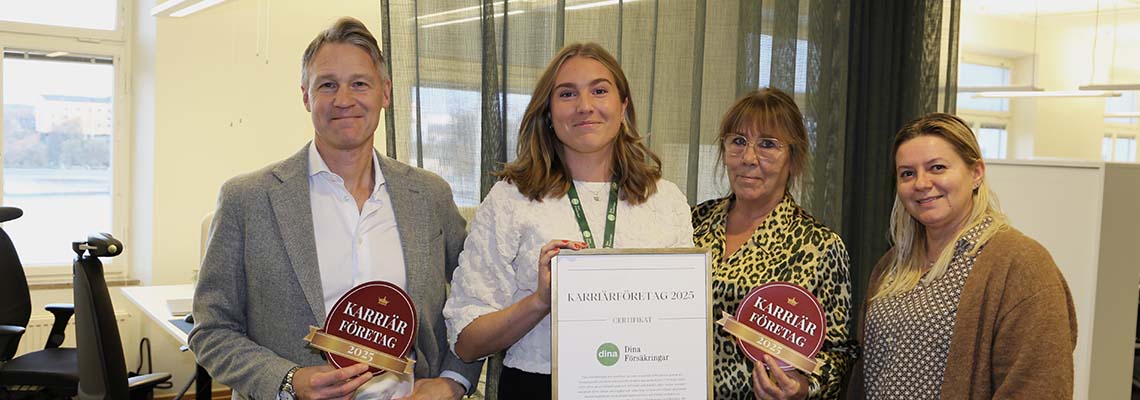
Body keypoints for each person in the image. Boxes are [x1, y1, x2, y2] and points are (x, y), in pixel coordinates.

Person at [188, 17, 482, 400]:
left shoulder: (429, 196)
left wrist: (453, 381)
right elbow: (212, 329)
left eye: (359, 83)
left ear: (385, 93)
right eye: (327, 85)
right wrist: (289, 380)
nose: (344, 99)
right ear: (306, 96)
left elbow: (477, 299)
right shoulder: (247, 200)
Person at [442, 42, 694, 399]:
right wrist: (540, 301)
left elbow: (682, 325)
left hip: (644, 385)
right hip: (536, 388)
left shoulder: (665, 200)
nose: (585, 106)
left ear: (623, 106)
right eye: (567, 93)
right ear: (548, 111)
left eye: (600, 91)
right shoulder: (511, 200)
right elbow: (467, 343)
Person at [854, 113, 1077, 399]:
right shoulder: (891, 266)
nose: (921, 183)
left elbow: (1041, 385)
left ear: (976, 173)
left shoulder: (1021, 263)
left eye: (937, 167)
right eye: (907, 173)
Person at [691, 88, 856, 400]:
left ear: (793, 158)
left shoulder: (819, 246)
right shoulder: (691, 223)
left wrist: (803, 388)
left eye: (767, 144)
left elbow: (838, 355)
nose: (748, 158)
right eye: (738, 141)